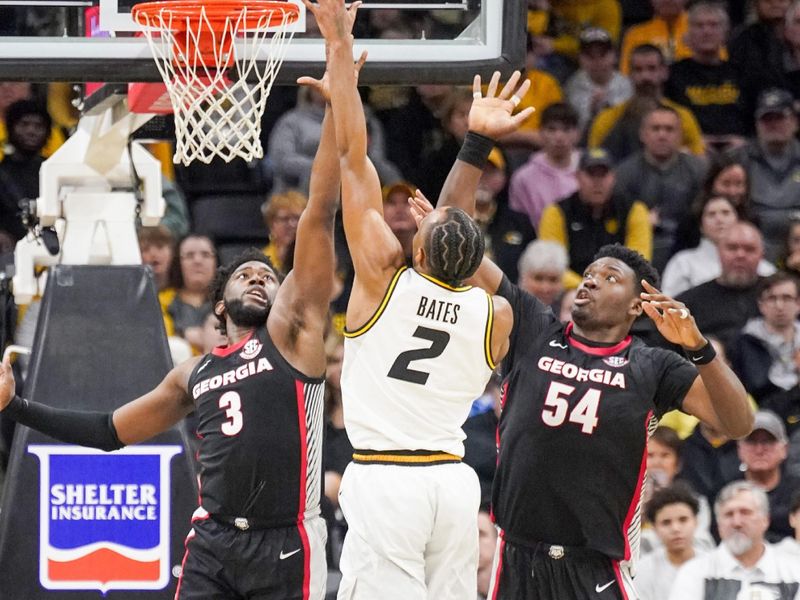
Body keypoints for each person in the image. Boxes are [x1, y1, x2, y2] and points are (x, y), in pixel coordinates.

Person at [0, 54, 351, 598]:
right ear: (219, 305)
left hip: (283, 541)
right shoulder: (193, 373)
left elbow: (320, 209)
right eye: (247, 274)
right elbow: (107, 432)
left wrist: (335, 108)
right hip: (211, 540)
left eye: (269, 277)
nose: (260, 279)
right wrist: (13, 406)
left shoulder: (294, 340)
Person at [416, 131, 752, 597]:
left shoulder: (653, 365)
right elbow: (452, 229)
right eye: (590, 275)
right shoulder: (534, 326)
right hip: (516, 557)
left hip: (595, 565)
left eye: (609, 278)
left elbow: (738, 423)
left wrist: (699, 349)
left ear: (638, 305)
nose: (591, 283)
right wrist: (476, 141)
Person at [309, 1, 523, 598]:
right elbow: (464, 257)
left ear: (421, 251)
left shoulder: (382, 277)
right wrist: (449, 223)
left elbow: (355, 161)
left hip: (387, 479)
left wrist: (341, 56)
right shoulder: (496, 315)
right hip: (453, 487)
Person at [538, 147, 652, 289]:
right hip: (571, 293)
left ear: (613, 177)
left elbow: (638, 263)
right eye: (591, 174)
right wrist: (588, 287)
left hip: (617, 292)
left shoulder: (634, 210)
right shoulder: (556, 212)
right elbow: (553, 265)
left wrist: (608, 290)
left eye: (603, 174)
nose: (597, 182)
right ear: (577, 176)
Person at [668, 481, 800, 600]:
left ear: (765, 520)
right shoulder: (695, 573)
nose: (737, 522)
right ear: (719, 525)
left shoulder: (794, 572)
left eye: (745, 512)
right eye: (728, 514)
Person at [614, 104, 706, 271]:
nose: (662, 135)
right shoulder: (624, 173)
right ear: (643, 134)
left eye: (669, 129)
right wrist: (640, 221)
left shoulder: (699, 170)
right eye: (656, 129)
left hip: (690, 246)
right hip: (641, 245)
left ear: (680, 135)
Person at [589, 44, 705, 161]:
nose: (645, 77)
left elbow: (699, 163)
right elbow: (593, 163)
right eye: (638, 70)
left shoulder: (683, 117)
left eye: (652, 68)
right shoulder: (607, 119)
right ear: (629, 74)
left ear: (664, 72)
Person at [728, 88, 800, 262]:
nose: (773, 124)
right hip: (751, 243)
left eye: (780, 117)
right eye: (767, 119)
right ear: (757, 123)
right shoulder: (736, 158)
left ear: (795, 121)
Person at [664, 1, 746, 151]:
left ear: (725, 33)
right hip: (689, 151)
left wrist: (744, 141)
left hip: (738, 150)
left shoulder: (742, 73)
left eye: (713, 25)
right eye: (699, 25)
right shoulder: (671, 74)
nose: (706, 31)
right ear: (688, 34)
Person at [676, 221, 767, 353]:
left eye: (749, 249)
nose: (740, 255)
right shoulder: (689, 303)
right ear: (718, 252)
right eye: (732, 248)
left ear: (762, 254)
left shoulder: (780, 296)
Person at [661, 196, 775, 297]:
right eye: (711, 214)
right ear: (701, 225)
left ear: (738, 219)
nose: (719, 220)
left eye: (725, 213)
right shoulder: (683, 263)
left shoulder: (766, 269)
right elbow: (670, 304)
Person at [508, 102, 580, 231]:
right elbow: (519, 225)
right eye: (552, 129)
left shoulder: (590, 172)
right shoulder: (523, 178)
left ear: (577, 134)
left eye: (566, 129)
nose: (559, 137)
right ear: (540, 132)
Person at [735, 410, 800, 542]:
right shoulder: (730, 492)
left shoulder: (798, 489)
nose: (759, 450)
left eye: (769, 441)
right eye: (752, 442)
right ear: (739, 449)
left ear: (785, 448)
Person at [636, 483, 705, 600]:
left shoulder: (713, 565)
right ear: (654, 528)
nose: (675, 529)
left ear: (696, 522)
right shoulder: (643, 570)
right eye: (666, 522)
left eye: (683, 520)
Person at [564, 28, 632, 135]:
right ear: (580, 58)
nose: (597, 61)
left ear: (614, 56)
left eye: (602, 54)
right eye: (590, 56)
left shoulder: (627, 84)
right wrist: (592, 111)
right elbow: (573, 129)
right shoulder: (573, 85)